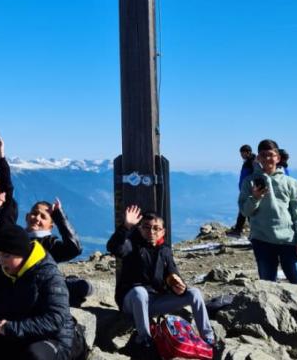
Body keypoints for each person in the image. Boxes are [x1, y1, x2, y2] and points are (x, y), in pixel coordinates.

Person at [0, 224, 86, 360]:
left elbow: (55, 319)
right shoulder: (3, 271)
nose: (1, 261)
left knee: (34, 355)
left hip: (56, 339)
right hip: (20, 333)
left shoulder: (48, 275)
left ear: (22, 253)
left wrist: (11, 328)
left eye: (6, 256)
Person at [107, 205, 214, 355]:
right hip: (131, 301)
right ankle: (145, 340)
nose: (151, 232)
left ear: (163, 231)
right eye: (146, 227)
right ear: (140, 229)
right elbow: (113, 247)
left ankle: (209, 340)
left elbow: (173, 274)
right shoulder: (131, 245)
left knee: (194, 293)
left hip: (155, 302)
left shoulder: (165, 251)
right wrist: (126, 226)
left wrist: (179, 286)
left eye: (156, 228)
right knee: (140, 292)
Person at [239, 139, 297, 286]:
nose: (267, 158)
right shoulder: (249, 182)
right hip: (262, 240)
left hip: (288, 240)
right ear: (258, 158)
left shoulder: (291, 183)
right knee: (267, 286)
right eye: (263, 155)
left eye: (271, 154)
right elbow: (245, 211)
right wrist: (255, 198)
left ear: (278, 157)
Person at [24, 199, 93, 307]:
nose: (37, 218)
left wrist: (59, 216)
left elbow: (74, 248)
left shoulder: (50, 243)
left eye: (43, 217)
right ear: (27, 216)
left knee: (84, 287)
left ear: (51, 226)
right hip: (21, 287)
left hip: (44, 287)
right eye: (34, 213)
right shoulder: (17, 237)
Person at [227, 144, 257, 237]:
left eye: (242, 153)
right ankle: (242, 231)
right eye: (241, 154)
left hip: (249, 191)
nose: (241, 156)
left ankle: (241, 231)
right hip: (245, 190)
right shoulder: (248, 162)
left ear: (248, 152)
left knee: (246, 211)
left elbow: (255, 176)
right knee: (245, 211)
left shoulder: (252, 162)